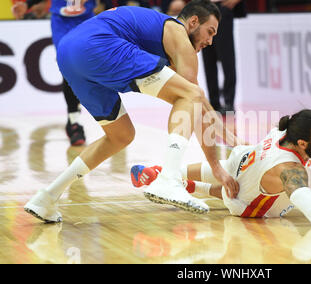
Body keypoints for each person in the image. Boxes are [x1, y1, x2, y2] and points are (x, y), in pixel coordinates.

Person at [24, 0, 242, 223]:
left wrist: (229, 136)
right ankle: (169, 178)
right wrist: (217, 166)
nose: (210, 41)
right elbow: (195, 99)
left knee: (121, 136)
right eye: (210, 32)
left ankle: (47, 197)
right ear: (193, 21)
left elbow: (200, 104)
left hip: (68, 53)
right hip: (99, 44)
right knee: (189, 95)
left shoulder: (162, 31)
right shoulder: (178, 34)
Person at [132, 109, 311, 226]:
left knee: (231, 168)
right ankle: (186, 183)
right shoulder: (290, 170)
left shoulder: (284, 129)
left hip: (240, 161)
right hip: (243, 204)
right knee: (244, 193)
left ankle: (166, 174)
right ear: (301, 142)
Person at [12, 0, 96, 146]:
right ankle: (74, 122)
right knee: (69, 67)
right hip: (62, 21)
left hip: (86, 18)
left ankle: (107, 118)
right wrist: (28, 4)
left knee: (91, 69)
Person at [201, 0, 246, 113]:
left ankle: (229, 102)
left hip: (221, 8)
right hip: (203, 8)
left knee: (227, 58)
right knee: (208, 58)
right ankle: (213, 102)